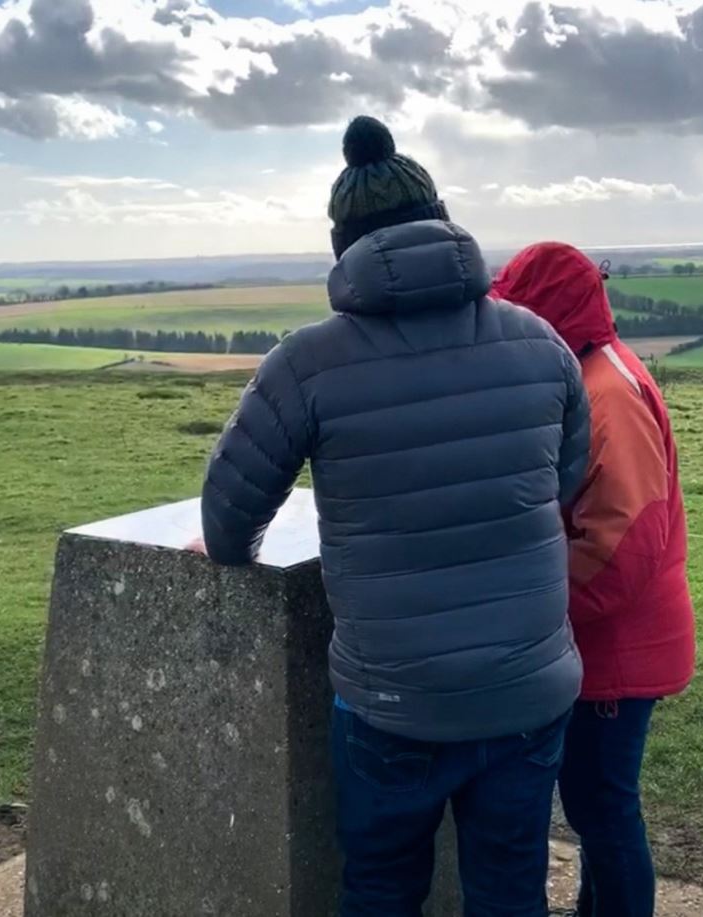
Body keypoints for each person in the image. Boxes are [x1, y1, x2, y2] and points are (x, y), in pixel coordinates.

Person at [199, 117, 591, 917]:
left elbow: (227, 516)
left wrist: (234, 551)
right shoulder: (542, 344)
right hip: (527, 688)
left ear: (342, 245)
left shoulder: (305, 362)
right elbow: (568, 477)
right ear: (443, 219)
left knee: (379, 888)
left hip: (393, 701)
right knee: (512, 887)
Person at [491, 243, 696, 917]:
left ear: (545, 312)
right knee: (592, 803)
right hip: (605, 641)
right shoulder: (587, 373)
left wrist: (538, 608)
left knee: (603, 806)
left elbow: (621, 549)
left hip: (617, 646)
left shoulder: (608, 393)